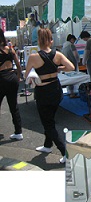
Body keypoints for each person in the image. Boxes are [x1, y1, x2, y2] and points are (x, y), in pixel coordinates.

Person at [24, 28, 74, 163]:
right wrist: (59, 68)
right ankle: (47, 145)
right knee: (49, 119)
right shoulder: (58, 54)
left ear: (39, 41)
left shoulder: (34, 57)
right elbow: (71, 67)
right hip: (56, 90)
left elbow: (26, 75)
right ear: (51, 40)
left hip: (43, 92)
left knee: (48, 124)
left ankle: (65, 151)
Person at [0, 28, 23, 140]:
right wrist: (18, 78)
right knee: (14, 106)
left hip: (1, 78)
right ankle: (18, 132)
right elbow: (19, 66)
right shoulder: (10, 49)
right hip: (12, 77)